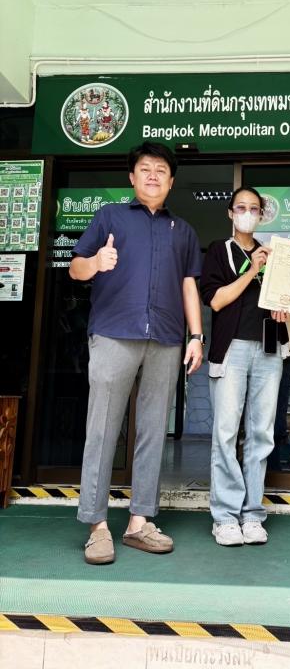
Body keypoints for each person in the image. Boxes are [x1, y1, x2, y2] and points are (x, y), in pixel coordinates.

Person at [70, 141, 204, 564]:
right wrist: (97, 262)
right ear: (132, 177)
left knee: (152, 431)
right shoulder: (109, 216)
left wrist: (196, 336)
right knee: (102, 430)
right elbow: (75, 268)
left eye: (161, 170)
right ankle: (96, 526)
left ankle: (139, 522)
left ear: (171, 181)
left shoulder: (182, 230)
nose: (152, 175)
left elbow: (188, 285)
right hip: (114, 333)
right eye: (145, 168)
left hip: (165, 338)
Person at [200, 187, 289, 546]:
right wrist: (253, 269)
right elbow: (216, 300)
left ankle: (252, 514)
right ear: (230, 213)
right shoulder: (218, 251)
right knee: (225, 434)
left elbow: (283, 299)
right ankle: (225, 517)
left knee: (261, 434)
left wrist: (284, 306)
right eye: (242, 207)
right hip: (232, 349)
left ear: (262, 215)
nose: (248, 213)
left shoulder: (274, 254)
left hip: (268, 349)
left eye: (254, 208)